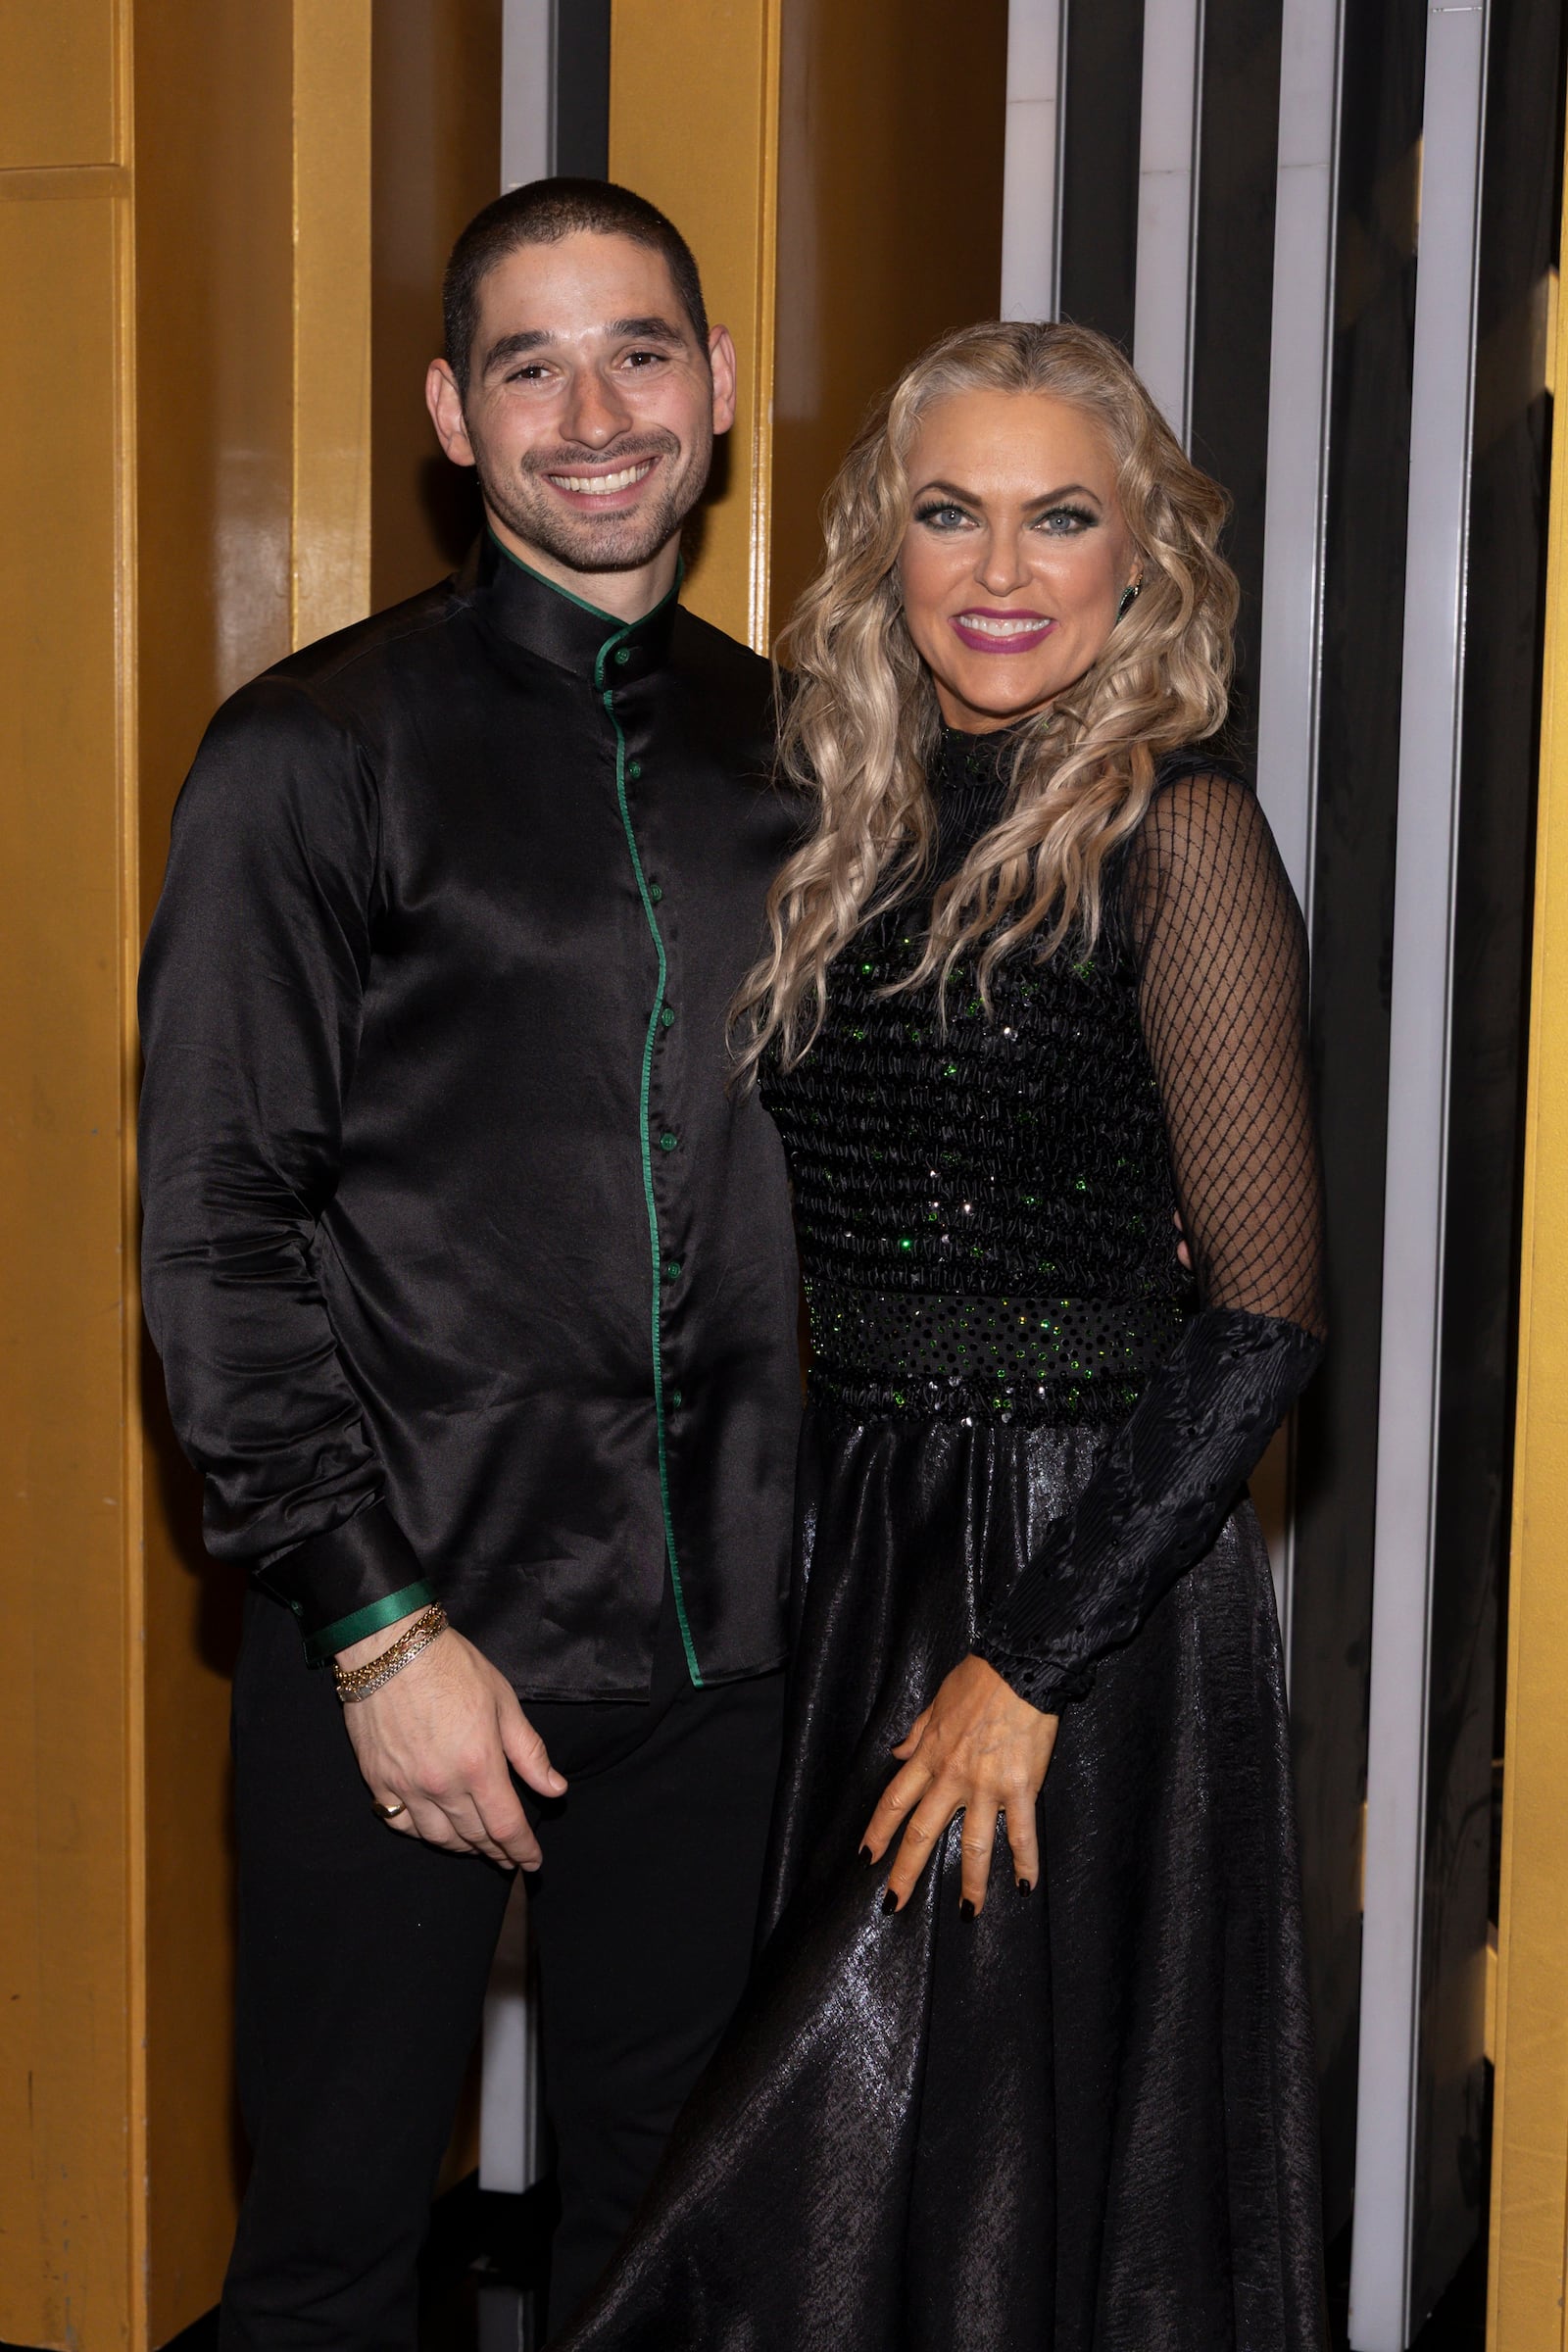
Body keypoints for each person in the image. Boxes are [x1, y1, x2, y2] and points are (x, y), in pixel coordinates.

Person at [559, 319, 1329, 2350]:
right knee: (878, 2163)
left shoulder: (1176, 840)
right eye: (947, 512)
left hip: (1087, 1586)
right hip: (868, 1536)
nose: (999, 568)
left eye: (1057, 517)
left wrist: (1026, 1659)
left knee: (928, 2133)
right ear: (880, 551)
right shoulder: (847, 841)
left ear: (1139, 562)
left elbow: (1258, 1326)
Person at [137, 178, 805, 2347]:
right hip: (403, 1644)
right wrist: (370, 1625)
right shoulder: (305, 755)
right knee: (331, 2261)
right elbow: (216, 1230)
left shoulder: (810, 756)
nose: (591, 410)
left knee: (662, 2253)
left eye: (638, 353)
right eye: (529, 363)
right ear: (452, 414)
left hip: (726, 1658)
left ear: (719, 389)